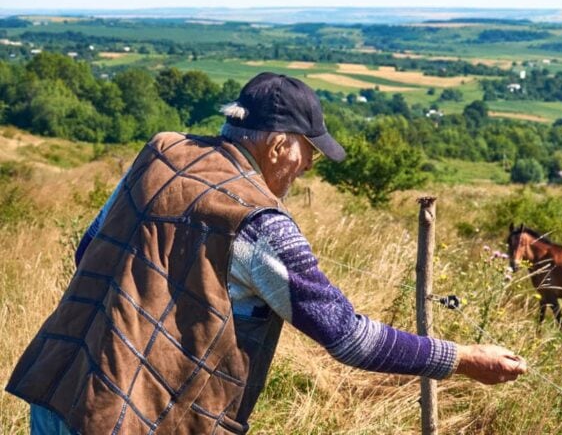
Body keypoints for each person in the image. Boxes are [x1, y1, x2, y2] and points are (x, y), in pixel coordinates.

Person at [7, 72, 527, 434]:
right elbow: (348, 338)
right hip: (141, 421)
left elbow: (90, 250)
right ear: (279, 146)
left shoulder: (162, 153)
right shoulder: (260, 223)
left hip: (61, 388)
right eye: (309, 153)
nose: (308, 168)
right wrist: (460, 358)